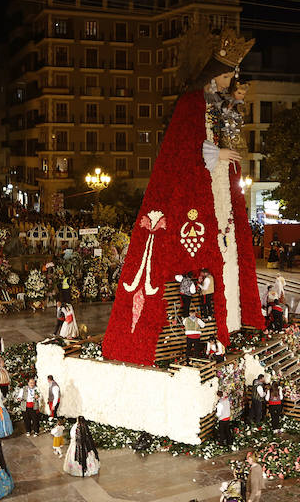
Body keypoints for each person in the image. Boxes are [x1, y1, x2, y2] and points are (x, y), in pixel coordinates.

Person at [101, 31, 262, 366]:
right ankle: (211, 328)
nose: (228, 81)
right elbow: (186, 147)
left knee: (228, 247)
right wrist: (218, 153)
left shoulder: (220, 106)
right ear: (210, 73)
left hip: (219, 187)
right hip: (199, 186)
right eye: (224, 75)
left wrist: (224, 155)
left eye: (230, 76)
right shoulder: (192, 103)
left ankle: (230, 323)